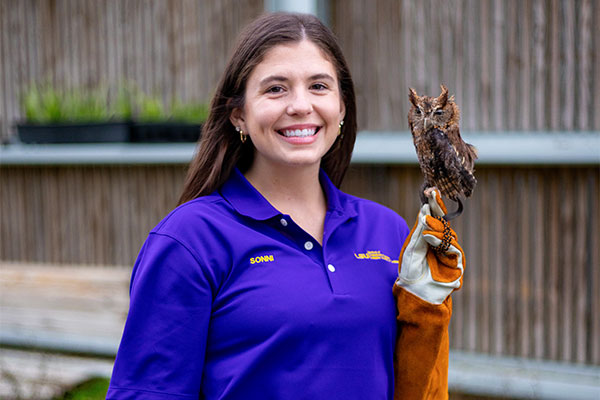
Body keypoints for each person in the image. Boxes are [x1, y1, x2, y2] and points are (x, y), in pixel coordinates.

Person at [106, 12, 465, 400]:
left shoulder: (388, 230)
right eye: (276, 89)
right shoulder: (189, 241)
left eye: (318, 86)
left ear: (342, 107)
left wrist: (429, 312)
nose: (300, 105)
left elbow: (416, 381)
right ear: (239, 114)